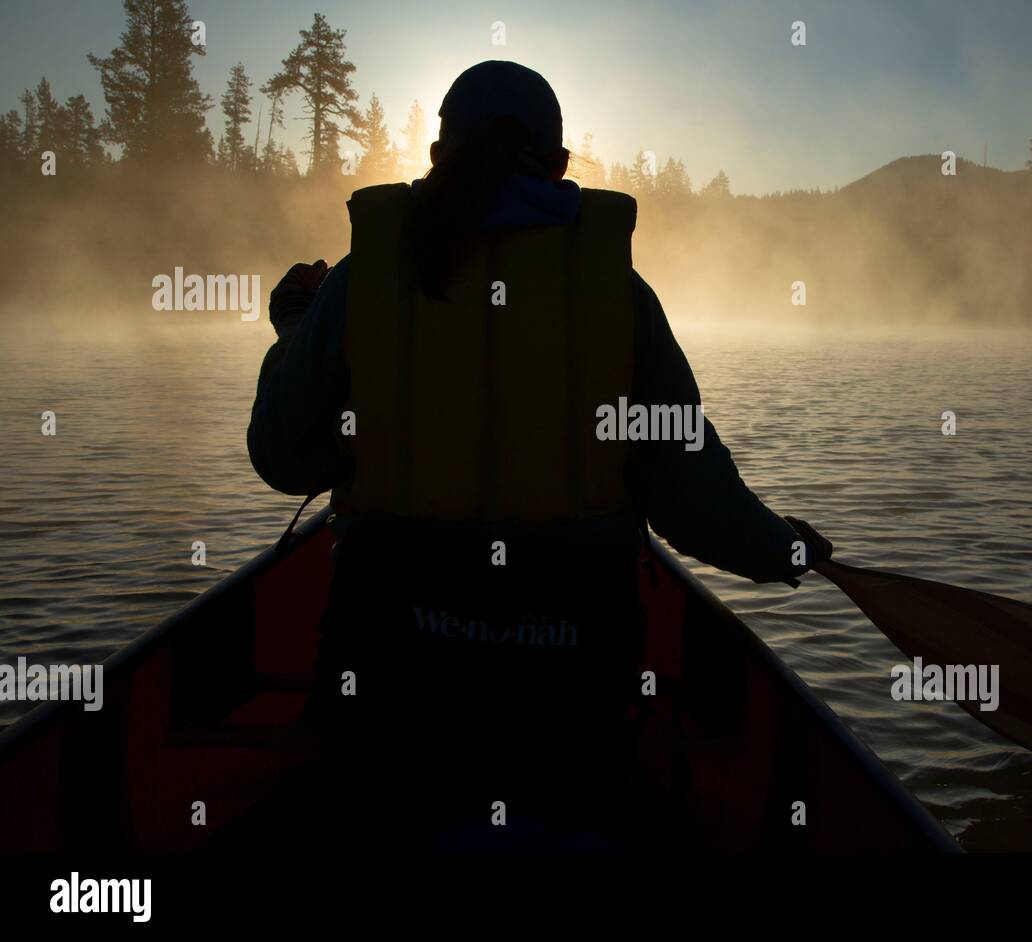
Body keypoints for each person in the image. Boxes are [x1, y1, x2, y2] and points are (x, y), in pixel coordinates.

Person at [246, 60, 831, 852]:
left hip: (390, 665)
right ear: (558, 167)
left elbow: (285, 457)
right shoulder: (618, 294)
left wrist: (294, 332)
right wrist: (785, 545)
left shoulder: (362, 281)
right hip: (569, 677)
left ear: (436, 156)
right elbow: (693, 499)